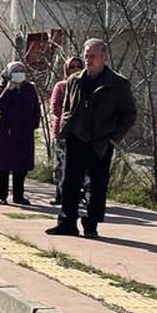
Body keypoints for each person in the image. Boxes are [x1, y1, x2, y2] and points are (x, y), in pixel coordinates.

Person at [46, 38, 137, 239]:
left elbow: (129, 115)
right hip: (76, 138)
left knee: (96, 187)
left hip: (100, 142)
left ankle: (91, 224)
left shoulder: (117, 83)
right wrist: (66, 130)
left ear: (103, 57)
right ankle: (66, 223)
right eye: (86, 56)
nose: (88, 60)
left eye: (92, 56)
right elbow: (68, 108)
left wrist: (113, 139)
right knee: (70, 183)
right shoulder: (75, 80)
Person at [0, 61, 40, 205]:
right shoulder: (1, 86)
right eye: (16, 70)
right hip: (6, 131)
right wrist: (9, 89)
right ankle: (1, 195)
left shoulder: (29, 88)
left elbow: (36, 108)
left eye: (21, 70)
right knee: (3, 166)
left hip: (24, 131)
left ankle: (19, 195)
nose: (19, 73)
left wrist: (33, 124)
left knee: (21, 166)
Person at [49, 55, 85, 206]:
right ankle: (60, 193)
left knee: (81, 166)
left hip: (81, 132)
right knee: (61, 164)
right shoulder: (61, 86)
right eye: (72, 67)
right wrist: (65, 120)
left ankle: (80, 194)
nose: (76, 69)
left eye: (78, 66)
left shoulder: (86, 85)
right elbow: (55, 107)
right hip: (63, 132)